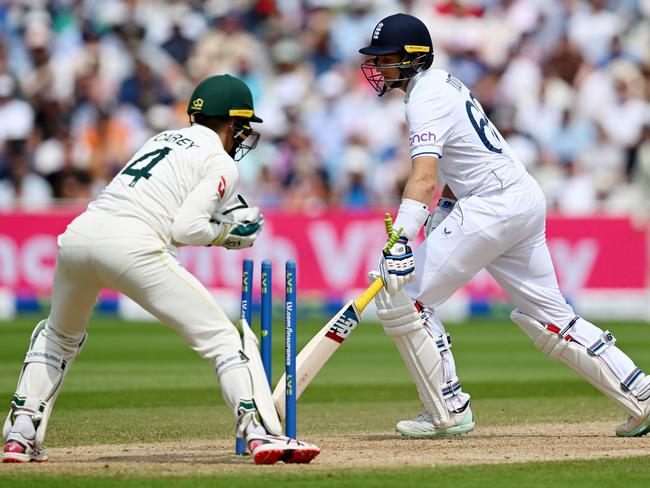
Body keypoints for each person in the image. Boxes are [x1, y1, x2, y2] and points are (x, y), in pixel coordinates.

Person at [2, 74, 320, 465]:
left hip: (79, 236)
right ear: (232, 123)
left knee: (57, 336)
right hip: (133, 245)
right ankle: (258, 433)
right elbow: (185, 228)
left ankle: (19, 436)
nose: (242, 137)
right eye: (242, 128)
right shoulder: (220, 161)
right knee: (222, 338)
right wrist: (226, 234)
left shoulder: (161, 138)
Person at [360, 13, 650, 439]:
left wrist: (400, 240)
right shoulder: (442, 85)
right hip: (519, 197)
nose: (377, 68)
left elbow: (422, 175)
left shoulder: (425, 96)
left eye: (384, 59)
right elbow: (462, 161)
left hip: (492, 205)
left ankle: (447, 408)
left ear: (411, 59)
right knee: (551, 317)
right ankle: (641, 394)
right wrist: (441, 211)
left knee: (404, 298)